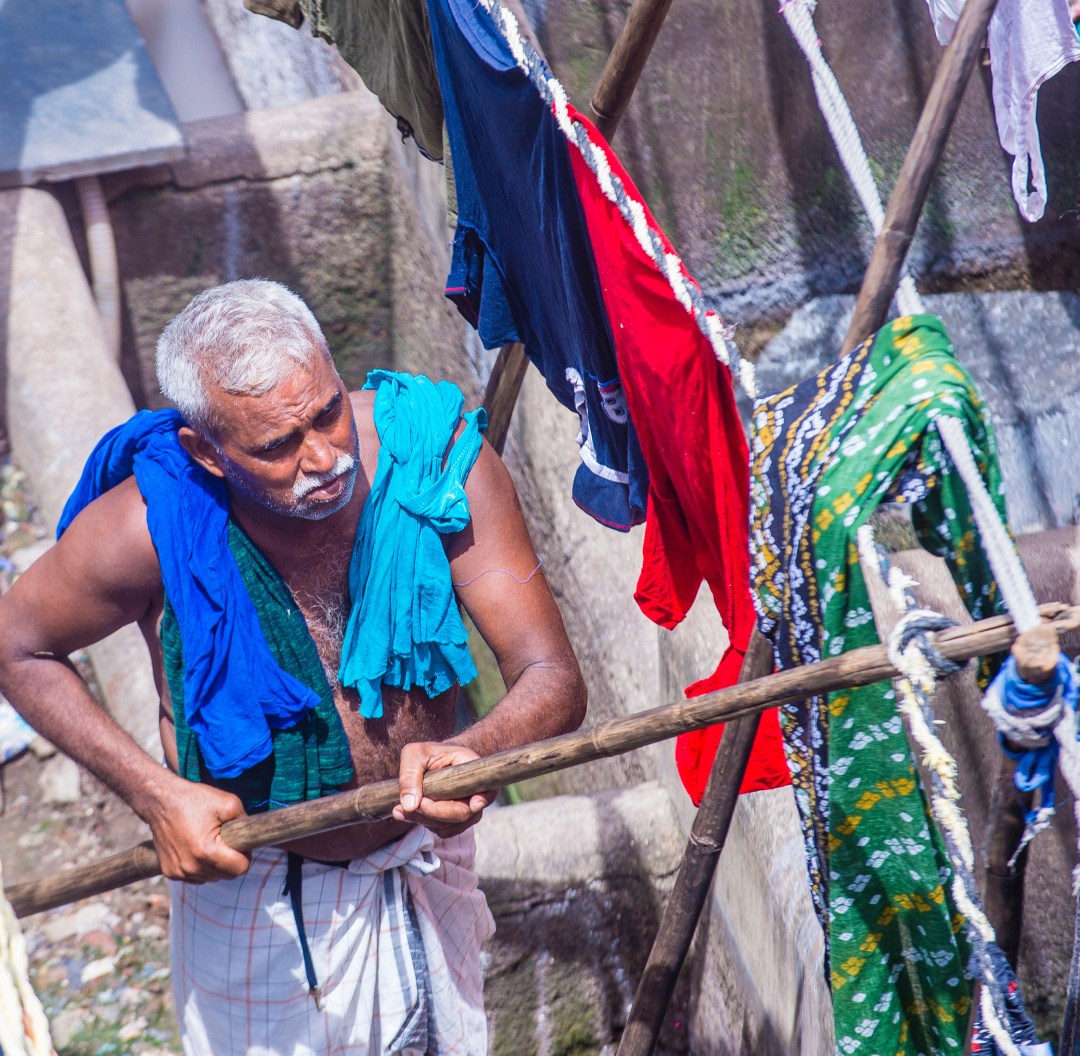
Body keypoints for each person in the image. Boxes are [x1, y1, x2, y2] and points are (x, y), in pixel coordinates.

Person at [0, 280, 587, 1056]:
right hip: (253, 886)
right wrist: (156, 795)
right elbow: (17, 645)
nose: (323, 458)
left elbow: (553, 677)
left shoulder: (436, 462)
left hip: (420, 865)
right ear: (205, 452)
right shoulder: (149, 529)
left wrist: (478, 748)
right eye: (276, 446)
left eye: (327, 412)